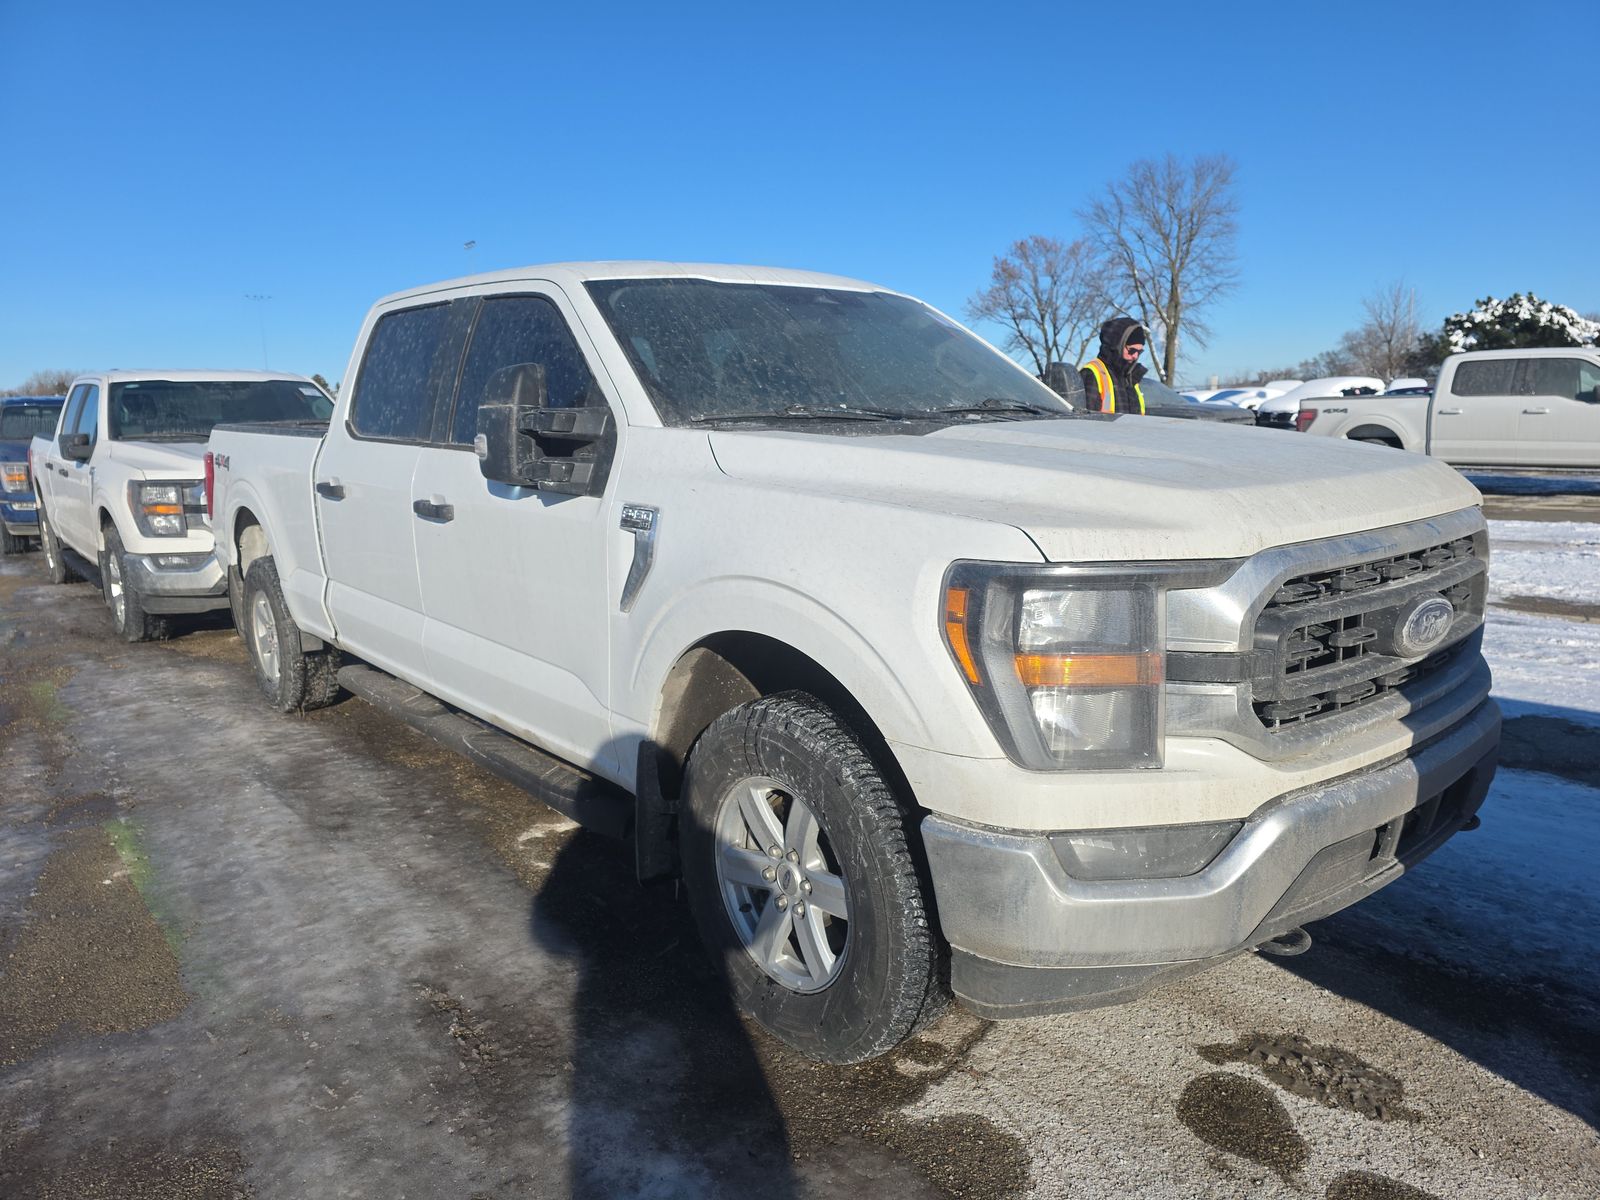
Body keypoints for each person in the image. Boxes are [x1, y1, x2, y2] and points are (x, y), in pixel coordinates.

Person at [1079, 317, 1149, 414]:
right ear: (1117, 345)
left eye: (1139, 351)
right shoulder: (1093, 373)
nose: (1135, 356)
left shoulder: (1130, 378)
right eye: (1132, 350)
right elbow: (1085, 422)